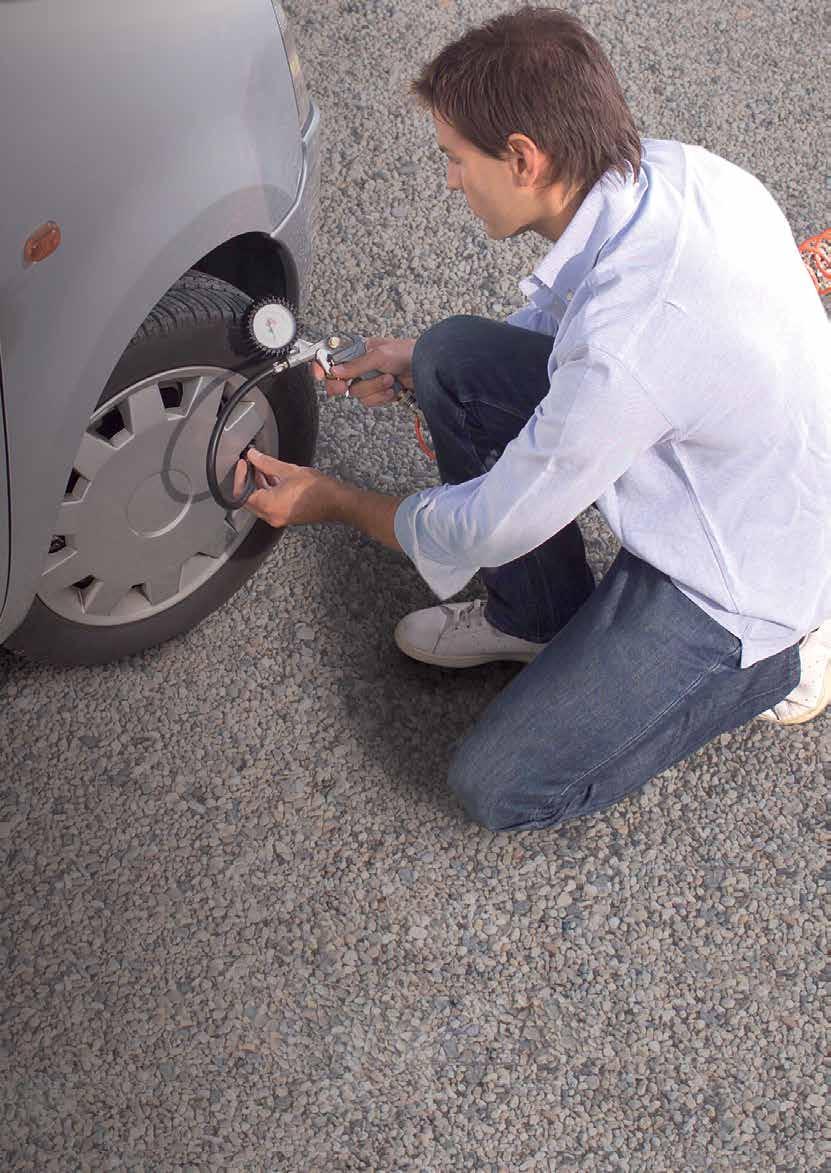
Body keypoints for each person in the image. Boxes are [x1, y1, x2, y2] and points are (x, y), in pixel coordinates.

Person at [233, 5, 830, 833]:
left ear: (522, 157)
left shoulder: (630, 346)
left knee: (499, 783)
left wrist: (329, 501)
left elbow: (487, 523)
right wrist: (418, 363)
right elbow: (573, 320)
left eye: (455, 158)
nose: (448, 179)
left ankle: (781, 658)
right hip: (731, 462)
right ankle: (534, 618)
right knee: (450, 356)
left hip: (738, 577)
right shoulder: (671, 173)